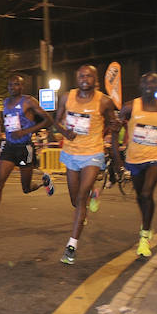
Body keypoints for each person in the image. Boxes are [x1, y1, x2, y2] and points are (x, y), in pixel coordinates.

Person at [55, 65, 121, 264]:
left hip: (92, 153)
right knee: (75, 200)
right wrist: (64, 132)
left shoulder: (105, 101)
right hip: (70, 153)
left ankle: (71, 246)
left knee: (81, 199)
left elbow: (113, 124)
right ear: (77, 78)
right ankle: (93, 193)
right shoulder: (67, 97)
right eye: (81, 75)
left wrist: (115, 127)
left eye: (89, 76)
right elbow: (55, 121)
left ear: (95, 79)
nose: (85, 78)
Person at [0, 75, 55, 237]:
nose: (12, 87)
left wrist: (26, 131)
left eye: (16, 84)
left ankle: (44, 181)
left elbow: (48, 120)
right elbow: (6, 118)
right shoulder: (5, 102)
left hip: (25, 147)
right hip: (9, 146)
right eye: (10, 84)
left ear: (22, 86)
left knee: (26, 188)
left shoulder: (28, 101)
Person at [115, 72, 157, 258]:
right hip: (134, 158)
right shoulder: (129, 107)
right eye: (146, 82)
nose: (150, 85)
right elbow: (114, 130)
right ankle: (147, 221)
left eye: (154, 82)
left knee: (146, 193)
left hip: (156, 157)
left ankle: (144, 236)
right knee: (140, 196)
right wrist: (117, 158)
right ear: (140, 85)